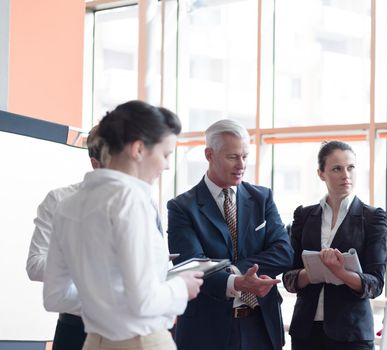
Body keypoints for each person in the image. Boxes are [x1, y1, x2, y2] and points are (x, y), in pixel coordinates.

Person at [43, 100, 204, 350]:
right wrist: (182, 287)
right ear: (139, 149)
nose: (167, 165)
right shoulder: (130, 200)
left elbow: (55, 297)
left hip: (93, 343)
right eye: (165, 154)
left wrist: (104, 306)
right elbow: (145, 301)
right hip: (142, 342)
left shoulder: (68, 204)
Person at [167, 119, 294, 350]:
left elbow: (283, 252)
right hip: (206, 332)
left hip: (260, 328)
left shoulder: (262, 198)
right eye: (233, 157)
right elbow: (193, 265)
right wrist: (236, 282)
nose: (241, 165)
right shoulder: (182, 207)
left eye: (245, 156)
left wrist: (238, 271)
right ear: (209, 155)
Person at [282, 140, 387, 350]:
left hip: (352, 333)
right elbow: (288, 279)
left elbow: (375, 284)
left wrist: (340, 272)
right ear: (321, 173)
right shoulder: (303, 215)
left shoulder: (373, 218)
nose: (346, 175)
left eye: (351, 167)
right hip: (306, 331)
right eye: (337, 169)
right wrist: (310, 273)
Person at [26, 125, 106, 350]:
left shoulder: (142, 202)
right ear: (95, 163)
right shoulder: (60, 200)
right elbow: (35, 265)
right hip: (76, 330)